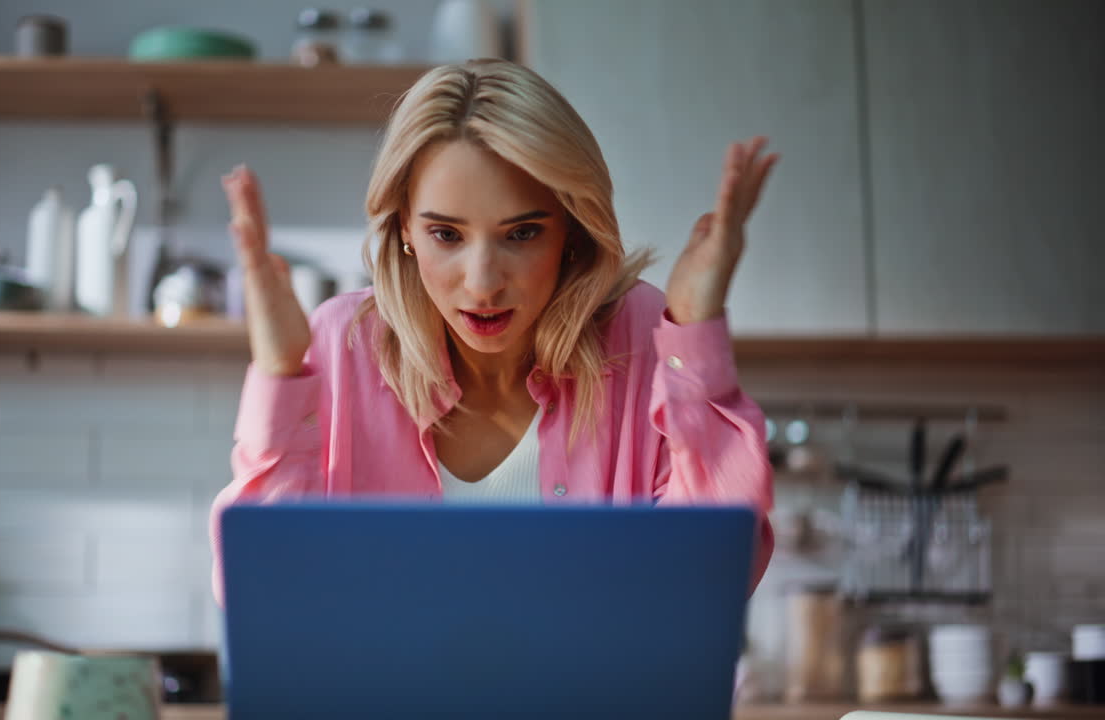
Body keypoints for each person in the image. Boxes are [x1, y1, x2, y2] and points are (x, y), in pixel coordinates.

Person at [210, 59, 778, 604]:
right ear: (405, 226)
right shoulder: (342, 344)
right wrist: (281, 375)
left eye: (522, 233)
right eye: (447, 235)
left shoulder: (642, 336)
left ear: (572, 231)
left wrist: (696, 336)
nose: (482, 284)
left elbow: (709, 583)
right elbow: (267, 593)